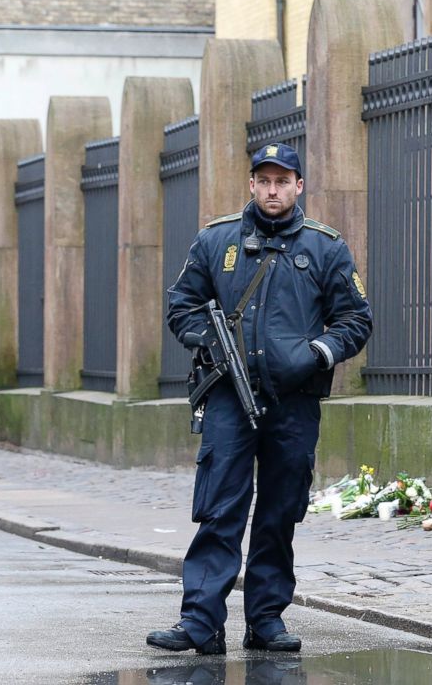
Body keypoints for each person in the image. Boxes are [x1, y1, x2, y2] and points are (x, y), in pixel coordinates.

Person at [147, 143, 372, 654]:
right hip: (229, 395)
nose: (273, 190)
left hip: (293, 400)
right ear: (252, 184)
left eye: (282, 181)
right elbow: (181, 306)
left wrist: (316, 353)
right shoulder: (215, 239)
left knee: (278, 510)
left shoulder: (326, 248)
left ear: (298, 186)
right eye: (264, 181)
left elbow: (357, 320)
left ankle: (266, 619)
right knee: (220, 507)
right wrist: (213, 344)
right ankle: (200, 622)